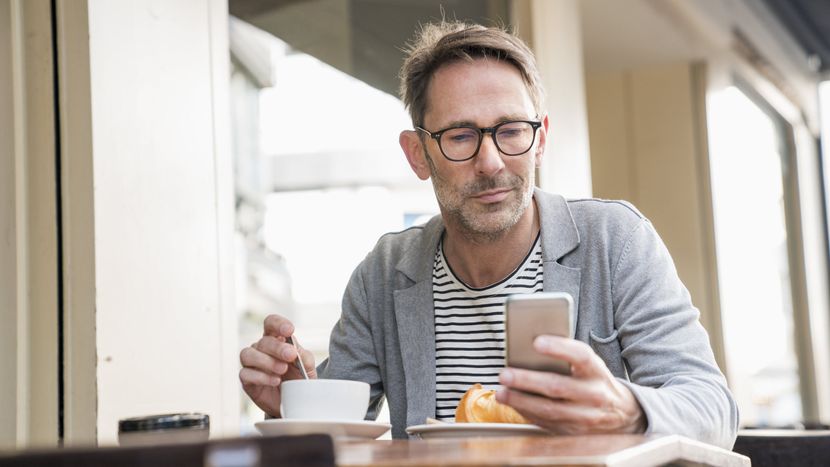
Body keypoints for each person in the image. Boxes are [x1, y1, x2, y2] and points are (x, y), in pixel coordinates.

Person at [239, 20, 739, 448]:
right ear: (418, 154)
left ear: (540, 138)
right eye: (460, 136)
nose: (491, 162)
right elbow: (338, 435)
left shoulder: (615, 240)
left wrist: (625, 409)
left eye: (511, 130)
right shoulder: (383, 274)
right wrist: (293, 402)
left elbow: (714, 409)